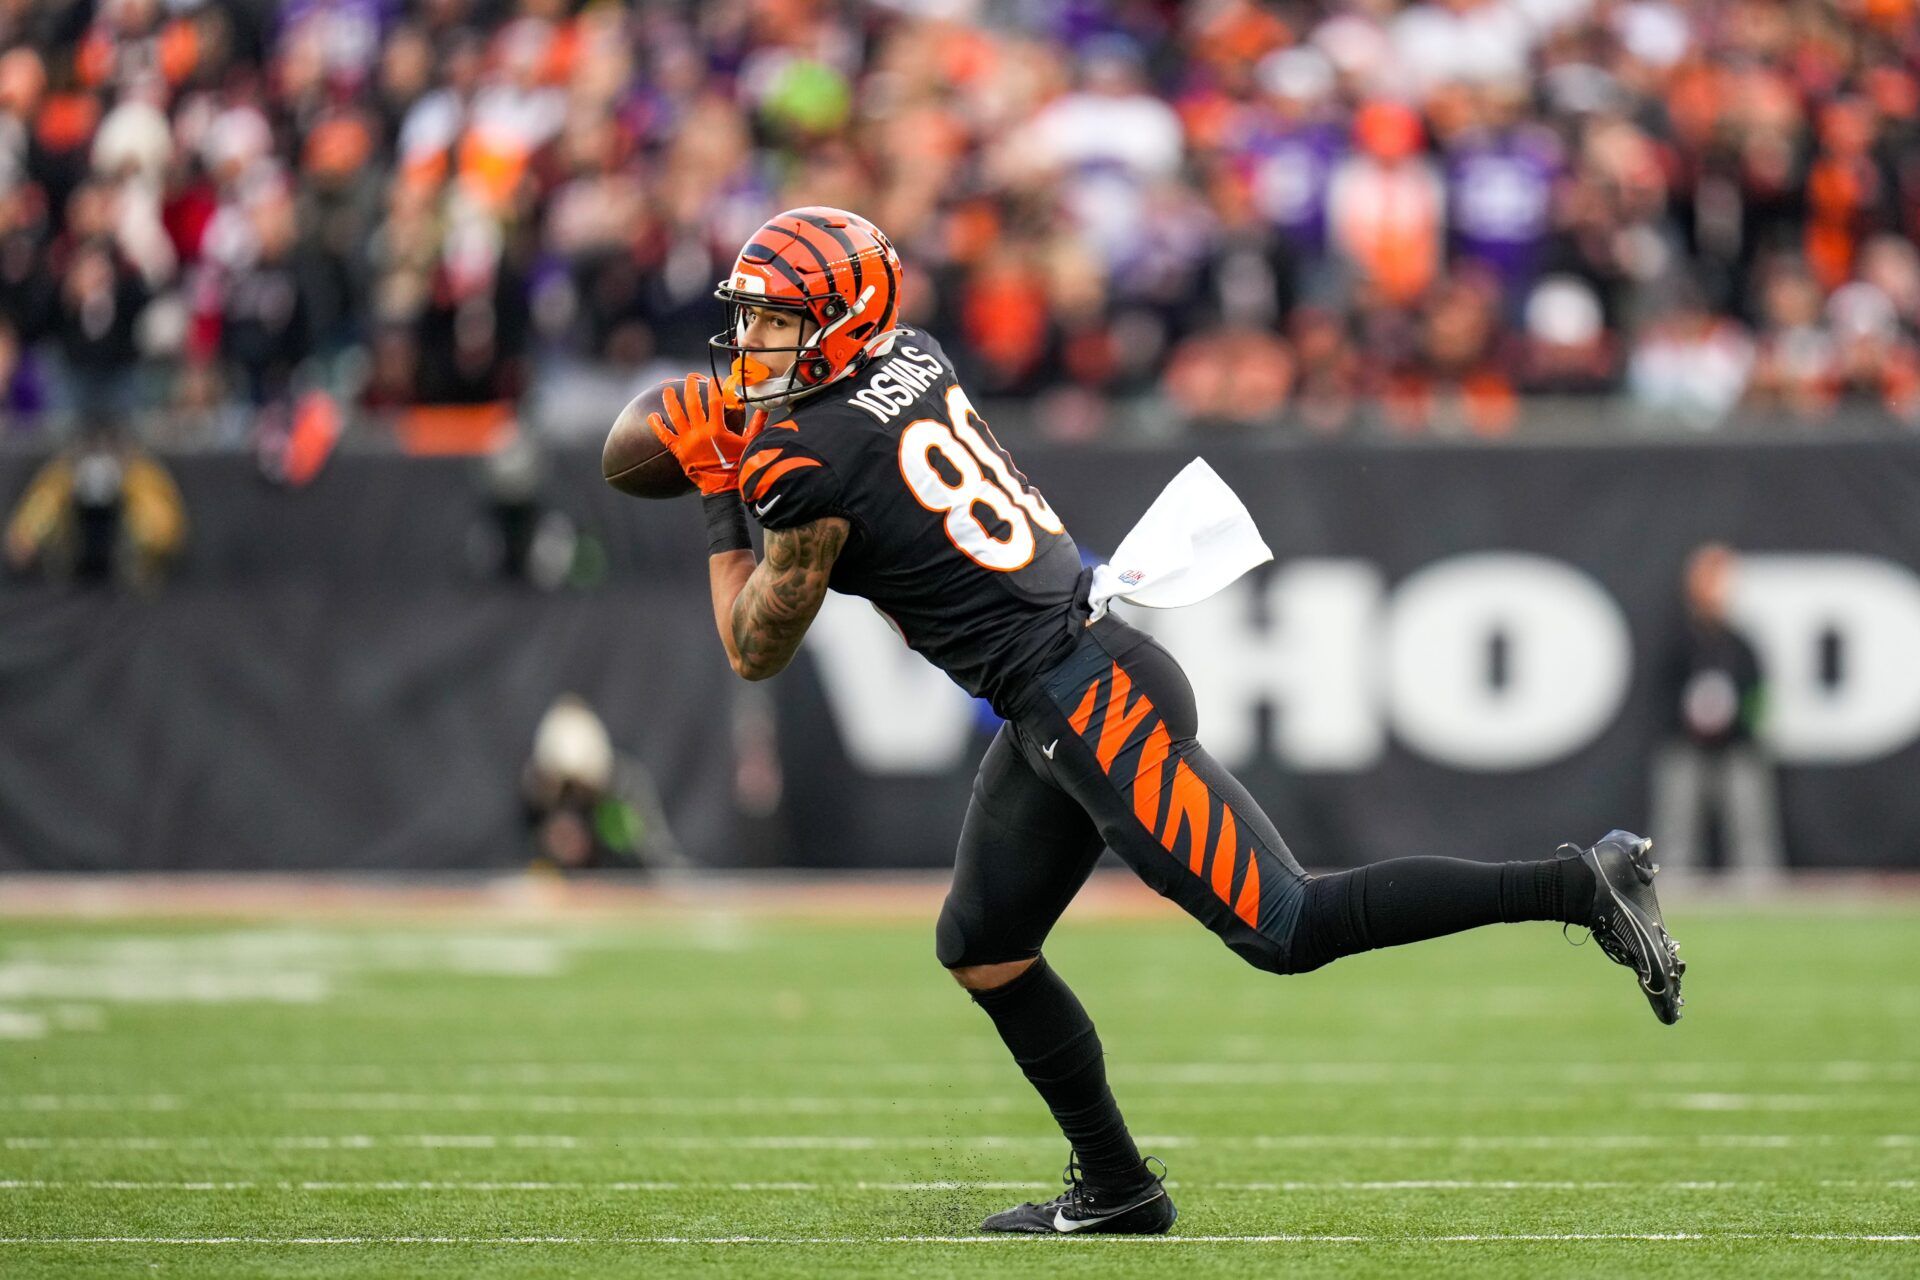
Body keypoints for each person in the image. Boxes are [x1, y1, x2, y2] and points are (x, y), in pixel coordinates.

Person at [646, 206, 1686, 1236]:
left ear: (835, 322)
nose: (749, 342)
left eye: (772, 320)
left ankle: (1576, 882)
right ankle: (1118, 1186)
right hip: (1060, 686)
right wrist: (749, 444)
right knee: (983, 943)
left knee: (1291, 926)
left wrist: (713, 488)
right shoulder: (910, 354)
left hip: (1089, 698)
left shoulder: (798, 461)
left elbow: (753, 646)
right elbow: (845, 438)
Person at [1649, 544, 1785, 877]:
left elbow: (1758, 696)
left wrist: (1737, 721)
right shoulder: (1677, 640)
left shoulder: (1740, 644)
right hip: (1686, 745)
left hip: (1736, 745)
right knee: (1676, 824)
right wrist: (1690, 718)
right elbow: (1659, 696)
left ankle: (1759, 891)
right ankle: (1674, 893)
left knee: (1751, 823)